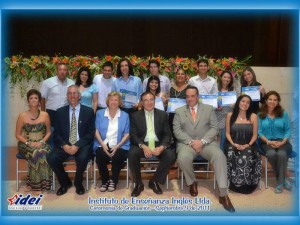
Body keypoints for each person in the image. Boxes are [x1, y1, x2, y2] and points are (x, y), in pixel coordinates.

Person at [173, 86, 235, 212]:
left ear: (198, 96)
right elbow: (177, 131)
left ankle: (223, 194)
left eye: (193, 96)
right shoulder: (179, 111)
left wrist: (202, 141)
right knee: (182, 158)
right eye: (187, 96)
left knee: (219, 156)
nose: (190, 99)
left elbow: (214, 128)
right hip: (187, 144)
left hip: (207, 143)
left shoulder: (208, 109)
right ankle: (192, 182)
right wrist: (192, 142)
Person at [47, 85, 95, 196]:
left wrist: (77, 145)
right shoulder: (60, 112)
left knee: (83, 158)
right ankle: (65, 183)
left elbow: (90, 133)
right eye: (69, 93)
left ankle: (78, 183)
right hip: (65, 144)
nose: (72, 95)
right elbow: (57, 133)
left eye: (75, 93)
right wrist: (64, 145)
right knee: (52, 158)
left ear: (79, 96)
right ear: (67, 96)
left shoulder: (88, 111)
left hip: (81, 144)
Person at [129, 92, 175, 197]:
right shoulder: (135, 116)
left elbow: (167, 134)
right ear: (142, 102)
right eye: (146, 100)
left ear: (155, 101)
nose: (149, 102)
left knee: (170, 155)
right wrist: (143, 146)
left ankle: (154, 180)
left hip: (158, 144)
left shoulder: (163, 115)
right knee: (132, 153)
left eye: (151, 100)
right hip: (143, 144)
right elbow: (133, 135)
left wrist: (162, 147)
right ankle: (138, 183)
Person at [15, 89, 52, 195]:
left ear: (39, 101)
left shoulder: (45, 115)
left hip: (42, 142)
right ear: (28, 101)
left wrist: (42, 142)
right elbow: (17, 135)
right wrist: (28, 143)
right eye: (31, 98)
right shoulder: (22, 116)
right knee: (35, 153)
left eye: (36, 98)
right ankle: (35, 186)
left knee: (43, 152)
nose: (33, 100)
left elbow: (49, 132)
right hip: (25, 144)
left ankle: (35, 182)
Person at [224, 95, 262, 194]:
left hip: (249, 144)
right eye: (243, 101)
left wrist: (247, 144)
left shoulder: (253, 116)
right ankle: (234, 184)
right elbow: (227, 133)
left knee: (246, 157)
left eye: (248, 102)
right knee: (233, 155)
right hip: (232, 143)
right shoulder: (229, 115)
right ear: (238, 102)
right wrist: (234, 144)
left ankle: (247, 185)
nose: (245, 104)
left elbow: (255, 135)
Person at [93, 92, 130, 192]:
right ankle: (105, 180)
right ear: (107, 102)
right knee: (100, 155)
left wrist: (117, 146)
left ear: (119, 102)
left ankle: (114, 180)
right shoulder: (100, 113)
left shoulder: (125, 115)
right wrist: (102, 145)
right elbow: (96, 130)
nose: (113, 102)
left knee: (118, 156)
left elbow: (127, 133)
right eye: (111, 100)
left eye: (116, 100)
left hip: (119, 144)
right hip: (103, 143)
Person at [258, 91, 292, 193]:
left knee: (281, 154)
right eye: (270, 99)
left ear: (278, 102)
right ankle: (283, 179)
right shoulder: (260, 114)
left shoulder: (284, 113)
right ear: (266, 100)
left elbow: (288, 130)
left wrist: (283, 141)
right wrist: (268, 142)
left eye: (275, 100)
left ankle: (280, 183)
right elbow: (259, 132)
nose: (272, 101)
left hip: (283, 141)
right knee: (271, 153)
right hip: (266, 142)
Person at [168, 68, 191, 149]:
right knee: (175, 136)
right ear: (175, 76)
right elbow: (168, 102)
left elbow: (192, 102)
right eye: (178, 74)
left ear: (186, 76)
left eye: (182, 74)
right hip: (172, 116)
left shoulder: (190, 88)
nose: (180, 76)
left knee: (184, 136)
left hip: (185, 116)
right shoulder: (171, 88)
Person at [215, 71, 236, 138]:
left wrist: (234, 105)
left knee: (227, 137)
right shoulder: (216, 89)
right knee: (219, 137)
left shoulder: (233, 90)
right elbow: (211, 105)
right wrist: (216, 107)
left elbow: (237, 105)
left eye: (229, 78)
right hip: (218, 116)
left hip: (229, 116)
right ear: (221, 78)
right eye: (225, 77)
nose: (227, 79)